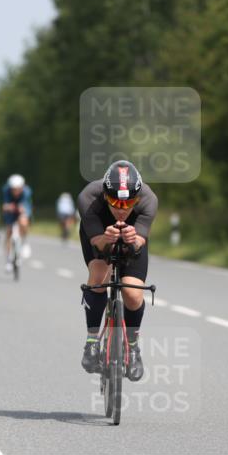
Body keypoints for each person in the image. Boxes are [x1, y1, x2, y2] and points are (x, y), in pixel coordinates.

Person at [78, 160, 157, 381]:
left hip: (133, 238)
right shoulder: (88, 198)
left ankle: (132, 347)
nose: (121, 210)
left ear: (138, 198)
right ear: (105, 195)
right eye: (114, 202)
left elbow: (138, 243)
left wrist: (133, 240)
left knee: (132, 293)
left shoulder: (149, 200)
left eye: (128, 204)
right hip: (98, 235)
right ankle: (92, 341)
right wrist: (106, 238)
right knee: (99, 273)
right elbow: (98, 244)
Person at [1, 173, 33, 271]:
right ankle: (8, 260)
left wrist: (22, 209)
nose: (15, 191)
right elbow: (5, 205)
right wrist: (7, 207)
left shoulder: (27, 192)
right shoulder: (6, 190)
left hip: (22, 207)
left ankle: (24, 242)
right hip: (10, 209)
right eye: (13, 189)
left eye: (18, 189)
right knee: (9, 231)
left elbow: (26, 205)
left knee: (23, 221)